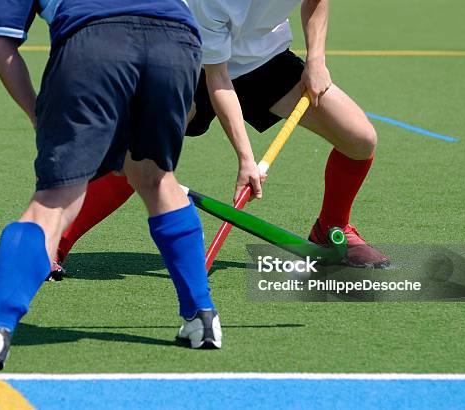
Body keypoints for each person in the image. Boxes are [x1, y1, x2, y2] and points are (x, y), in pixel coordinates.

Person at [0, 0, 222, 370]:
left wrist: (38, 115)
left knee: (54, 200)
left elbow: (0, 45)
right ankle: (201, 318)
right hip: (178, 42)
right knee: (157, 180)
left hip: (95, 41)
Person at [54, 0, 390, 269]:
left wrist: (316, 59)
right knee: (141, 155)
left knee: (359, 139)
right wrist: (246, 159)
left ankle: (332, 229)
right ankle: (54, 245)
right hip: (194, 65)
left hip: (266, 61)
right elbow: (219, 81)